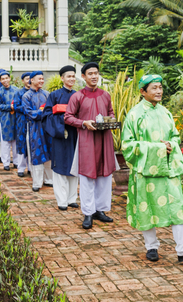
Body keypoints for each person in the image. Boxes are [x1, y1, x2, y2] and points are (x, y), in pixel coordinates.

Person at [123, 74, 183, 263]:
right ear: (143, 91)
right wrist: (158, 149)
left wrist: (170, 144)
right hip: (145, 170)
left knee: (177, 207)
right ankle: (151, 247)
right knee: (147, 206)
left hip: (168, 169)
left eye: (160, 87)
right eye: (154, 88)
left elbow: (175, 137)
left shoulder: (166, 112)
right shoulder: (135, 115)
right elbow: (127, 145)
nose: (159, 91)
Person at [65, 62, 117, 230]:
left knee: (104, 175)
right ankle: (88, 212)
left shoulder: (106, 95)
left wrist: (110, 121)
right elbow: (68, 117)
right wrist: (83, 123)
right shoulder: (77, 96)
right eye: (90, 73)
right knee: (87, 177)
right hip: (86, 139)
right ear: (84, 76)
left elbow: (111, 113)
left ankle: (100, 210)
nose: (94, 76)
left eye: (96, 73)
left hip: (105, 139)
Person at [44, 65, 80, 211]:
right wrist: (63, 121)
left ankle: (72, 198)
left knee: (74, 165)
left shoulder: (79, 95)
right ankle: (62, 200)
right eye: (68, 76)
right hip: (61, 134)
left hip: (76, 134)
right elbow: (46, 115)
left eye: (73, 76)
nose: (71, 79)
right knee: (60, 165)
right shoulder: (54, 95)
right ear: (62, 78)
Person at [22, 71, 53, 191]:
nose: (41, 81)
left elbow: (51, 110)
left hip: (47, 127)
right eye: (39, 79)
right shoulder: (26, 96)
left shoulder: (47, 94)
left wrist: (45, 112)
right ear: (32, 80)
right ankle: (37, 182)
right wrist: (42, 111)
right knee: (36, 154)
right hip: (34, 128)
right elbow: (29, 113)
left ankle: (49, 179)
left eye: (42, 79)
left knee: (49, 154)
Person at [0, 71, 17, 171]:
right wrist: (9, 107)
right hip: (4, 119)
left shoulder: (17, 90)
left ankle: (16, 162)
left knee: (16, 142)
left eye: (6, 78)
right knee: (5, 142)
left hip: (16, 118)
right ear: (0, 80)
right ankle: (6, 163)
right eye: (2, 79)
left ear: (9, 78)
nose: (5, 80)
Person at [13, 73, 31, 177]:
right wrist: (27, 109)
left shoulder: (35, 92)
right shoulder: (18, 93)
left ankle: (31, 168)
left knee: (31, 144)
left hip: (32, 121)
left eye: (30, 79)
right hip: (21, 121)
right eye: (27, 79)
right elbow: (16, 106)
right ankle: (21, 168)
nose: (29, 81)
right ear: (23, 81)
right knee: (21, 144)